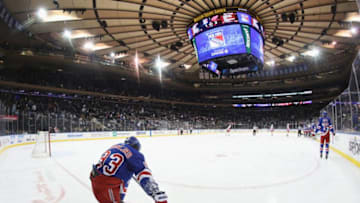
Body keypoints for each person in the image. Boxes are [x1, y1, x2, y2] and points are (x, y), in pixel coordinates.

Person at [90, 136, 168, 203]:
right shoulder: (135, 154)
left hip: (96, 178)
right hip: (107, 184)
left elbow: (124, 182)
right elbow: (143, 173)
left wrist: (120, 199)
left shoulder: (116, 146)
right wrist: (155, 191)